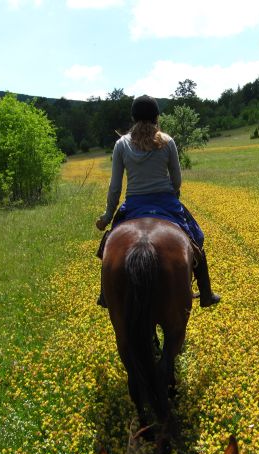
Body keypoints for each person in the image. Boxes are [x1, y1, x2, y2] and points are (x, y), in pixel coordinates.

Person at [95, 94, 220, 308]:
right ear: (156, 117)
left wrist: (108, 215)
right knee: (195, 239)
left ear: (134, 117)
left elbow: (115, 187)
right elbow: (177, 180)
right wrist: (174, 195)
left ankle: (105, 294)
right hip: (166, 202)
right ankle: (206, 293)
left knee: (108, 244)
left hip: (133, 205)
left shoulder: (121, 145)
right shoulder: (167, 141)